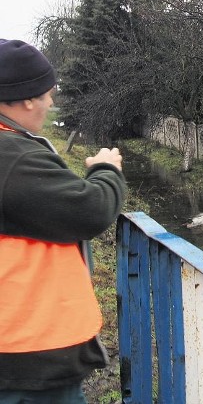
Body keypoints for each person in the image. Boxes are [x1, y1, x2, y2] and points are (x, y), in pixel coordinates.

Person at [0, 39, 127, 403]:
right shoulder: (11, 155)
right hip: (25, 358)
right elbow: (90, 210)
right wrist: (106, 168)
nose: (51, 103)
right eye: (47, 94)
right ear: (26, 98)